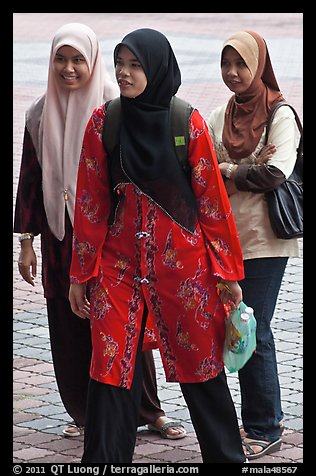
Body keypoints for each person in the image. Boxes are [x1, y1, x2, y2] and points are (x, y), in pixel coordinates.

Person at [69, 27, 246, 464]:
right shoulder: (103, 122)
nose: (124, 74)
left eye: (135, 65)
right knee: (110, 366)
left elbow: (213, 205)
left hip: (184, 272)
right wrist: (81, 275)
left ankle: (225, 458)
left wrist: (227, 275)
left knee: (201, 367)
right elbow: (90, 205)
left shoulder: (186, 122)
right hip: (118, 269)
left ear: (157, 69)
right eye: (120, 64)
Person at [13, 22, 185, 441]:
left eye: (78, 60)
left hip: (111, 238)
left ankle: (149, 410)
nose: (69, 68)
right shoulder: (39, 113)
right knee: (67, 326)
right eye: (61, 59)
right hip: (60, 235)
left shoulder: (115, 106)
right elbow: (31, 180)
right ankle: (85, 412)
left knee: (124, 322)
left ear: (93, 61)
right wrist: (26, 242)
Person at [207, 30, 300, 459]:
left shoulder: (281, 113)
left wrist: (228, 170)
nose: (232, 73)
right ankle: (258, 420)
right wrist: (238, 169)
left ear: (259, 65)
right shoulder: (221, 112)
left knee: (252, 327)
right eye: (226, 64)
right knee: (235, 327)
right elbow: (201, 165)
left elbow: (274, 173)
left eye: (241, 64)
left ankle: (265, 426)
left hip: (265, 238)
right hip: (228, 239)